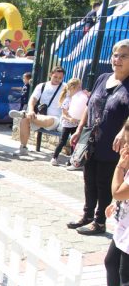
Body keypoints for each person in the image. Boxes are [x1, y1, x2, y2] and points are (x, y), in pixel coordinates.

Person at [67, 40, 129, 235]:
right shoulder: (103, 78)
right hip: (92, 140)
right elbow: (89, 106)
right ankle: (86, 215)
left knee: (104, 182)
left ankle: (99, 222)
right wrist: (79, 129)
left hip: (113, 143)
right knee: (89, 179)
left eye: (123, 56)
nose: (117, 59)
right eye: (115, 55)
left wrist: (124, 131)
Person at [85, 119, 129, 286]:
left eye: (128, 143)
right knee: (111, 261)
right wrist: (115, 204)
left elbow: (118, 190)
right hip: (124, 224)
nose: (124, 147)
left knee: (126, 272)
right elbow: (120, 195)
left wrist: (120, 166)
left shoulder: (125, 164)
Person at [9, 66, 66, 156]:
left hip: (55, 119)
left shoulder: (65, 88)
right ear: (50, 75)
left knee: (44, 119)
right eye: (55, 77)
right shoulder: (42, 86)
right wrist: (31, 110)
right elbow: (33, 99)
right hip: (38, 116)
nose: (57, 79)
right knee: (24, 121)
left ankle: (24, 114)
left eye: (60, 78)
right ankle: (23, 148)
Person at [50, 78, 87, 166]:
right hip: (67, 124)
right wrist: (70, 119)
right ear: (73, 88)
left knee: (74, 142)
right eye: (79, 87)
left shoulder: (80, 98)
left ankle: (72, 160)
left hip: (76, 124)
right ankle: (54, 157)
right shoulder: (67, 100)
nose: (80, 89)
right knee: (63, 141)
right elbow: (64, 114)